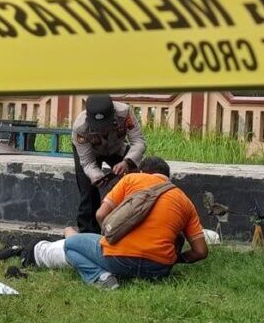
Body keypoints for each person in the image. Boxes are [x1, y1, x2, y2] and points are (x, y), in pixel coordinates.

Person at [64, 156, 208, 290]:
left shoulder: (132, 179)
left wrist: (109, 237)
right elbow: (200, 251)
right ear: (168, 177)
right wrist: (175, 260)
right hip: (158, 268)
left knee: (70, 244)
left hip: (117, 260)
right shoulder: (185, 201)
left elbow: (101, 214)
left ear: (141, 171)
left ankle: (101, 277)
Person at [72, 94, 146, 233]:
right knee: (88, 192)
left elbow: (138, 141)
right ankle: (88, 233)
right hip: (90, 153)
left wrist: (127, 162)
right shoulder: (80, 128)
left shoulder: (125, 113)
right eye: (98, 127)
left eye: (105, 124)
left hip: (117, 148)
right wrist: (96, 176)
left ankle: (135, 224)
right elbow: (87, 162)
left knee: (136, 180)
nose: (102, 130)